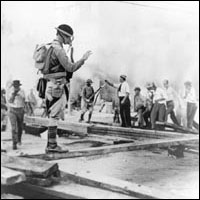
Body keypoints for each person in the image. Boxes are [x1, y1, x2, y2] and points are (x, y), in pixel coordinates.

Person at [44, 24, 92, 152]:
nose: (69, 40)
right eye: (68, 37)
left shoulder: (51, 46)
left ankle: (51, 144)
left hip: (51, 84)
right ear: (63, 35)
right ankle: (52, 145)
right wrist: (83, 59)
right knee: (54, 116)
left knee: (53, 115)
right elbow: (70, 67)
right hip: (57, 85)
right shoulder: (58, 49)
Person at [7, 80, 26, 150]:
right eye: (15, 86)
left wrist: (20, 94)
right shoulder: (10, 91)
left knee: (20, 127)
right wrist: (14, 94)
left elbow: (24, 100)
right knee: (14, 128)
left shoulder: (22, 91)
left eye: (17, 86)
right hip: (12, 110)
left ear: (19, 86)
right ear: (13, 86)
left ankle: (19, 139)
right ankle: (14, 143)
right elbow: (10, 101)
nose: (16, 87)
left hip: (20, 110)